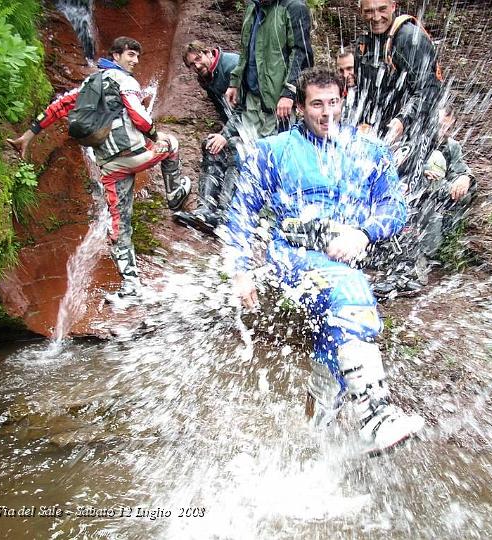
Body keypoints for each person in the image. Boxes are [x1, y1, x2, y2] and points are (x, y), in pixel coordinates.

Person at [223, 67, 424, 456]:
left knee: (336, 340)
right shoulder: (274, 150)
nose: (326, 112)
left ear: (344, 102)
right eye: (316, 104)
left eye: (333, 103)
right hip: (291, 259)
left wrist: (363, 233)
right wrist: (239, 269)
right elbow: (241, 212)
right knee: (352, 291)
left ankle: (313, 447)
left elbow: (395, 207)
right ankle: (376, 417)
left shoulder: (368, 151)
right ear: (300, 107)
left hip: (341, 262)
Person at [7, 36, 191, 301]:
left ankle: (130, 284)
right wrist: (155, 135)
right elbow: (139, 116)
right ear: (115, 56)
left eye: (137, 56)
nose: (135, 61)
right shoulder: (125, 81)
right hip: (135, 155)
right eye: (130, 55)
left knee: (119, 223)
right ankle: (174, 196)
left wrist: (27, 136)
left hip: (109, 166)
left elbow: (58, 106)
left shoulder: (89, 83)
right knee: (171, 143)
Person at [372, 105, 477, 297]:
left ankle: (409, 275)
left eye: (446, 125)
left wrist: (466, 178)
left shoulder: (450, 147)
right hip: (396, 201)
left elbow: (461, 175)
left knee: (427, 206)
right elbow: (387, 170)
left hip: (429, 208)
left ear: (451, 123)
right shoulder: (411, 140)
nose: (441, 129)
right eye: (437, 123)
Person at [352, 0, 442, 192]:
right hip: (380, 132)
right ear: (360, 12)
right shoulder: (364, 44)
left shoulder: (410, 38)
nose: (376, 17)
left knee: (404, 193)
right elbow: (361, 94)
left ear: (393, 6)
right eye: (369, 11)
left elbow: (430, 90)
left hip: (415, 132)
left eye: (382, 9)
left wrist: (402, 120)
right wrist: (361, 123)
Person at [173, 41, 241, 234]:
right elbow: (225, 111)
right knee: (210, 145)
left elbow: (249, 107)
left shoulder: (232, 66)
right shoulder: (206, 78)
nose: (197, 66)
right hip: (239, 125)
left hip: (262, 125)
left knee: (235, 147)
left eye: (198, 59)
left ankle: (224, 213)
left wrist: (226, 135)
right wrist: (222, 134)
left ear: (209, 53)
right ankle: (205, 210)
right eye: (192, 65)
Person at [225, 0, 314, 138]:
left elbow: (302, 55)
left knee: (277, 153)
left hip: (279, 103)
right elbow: (245, 50)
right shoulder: (252, 7)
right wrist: (235, 82)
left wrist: (289, 93)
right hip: (251, 99)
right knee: (251, 152)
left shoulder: (294, 8)